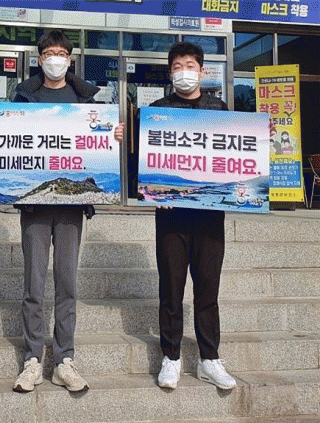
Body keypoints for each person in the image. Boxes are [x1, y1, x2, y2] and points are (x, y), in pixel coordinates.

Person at [0, 30, 124, 393]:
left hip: (71, 209)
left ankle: (64, 360)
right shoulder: (23, 97)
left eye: (61, 53)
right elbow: (11, 143)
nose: (55, 59)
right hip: (35, 207)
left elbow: (96, 143)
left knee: (67, 284)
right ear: (39, 59)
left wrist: (112, 138)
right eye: (49, 53)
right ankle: (32, 359)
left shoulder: (86, 100)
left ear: (70, 59)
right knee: (33, 285)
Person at [150, 42, 237, 391]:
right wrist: (153, 190)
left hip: (210, 217)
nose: (183, 71)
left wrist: (262, 139)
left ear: (202, 71)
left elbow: (234, 153)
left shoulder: (219, 109)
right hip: (171, 217)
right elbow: (145, 160)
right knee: (171, 289)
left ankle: (209, 359)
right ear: (170, 73)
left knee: (207, 289)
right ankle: (170, 357)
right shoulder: (158, 111)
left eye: (190, 65)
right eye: (177, 66)